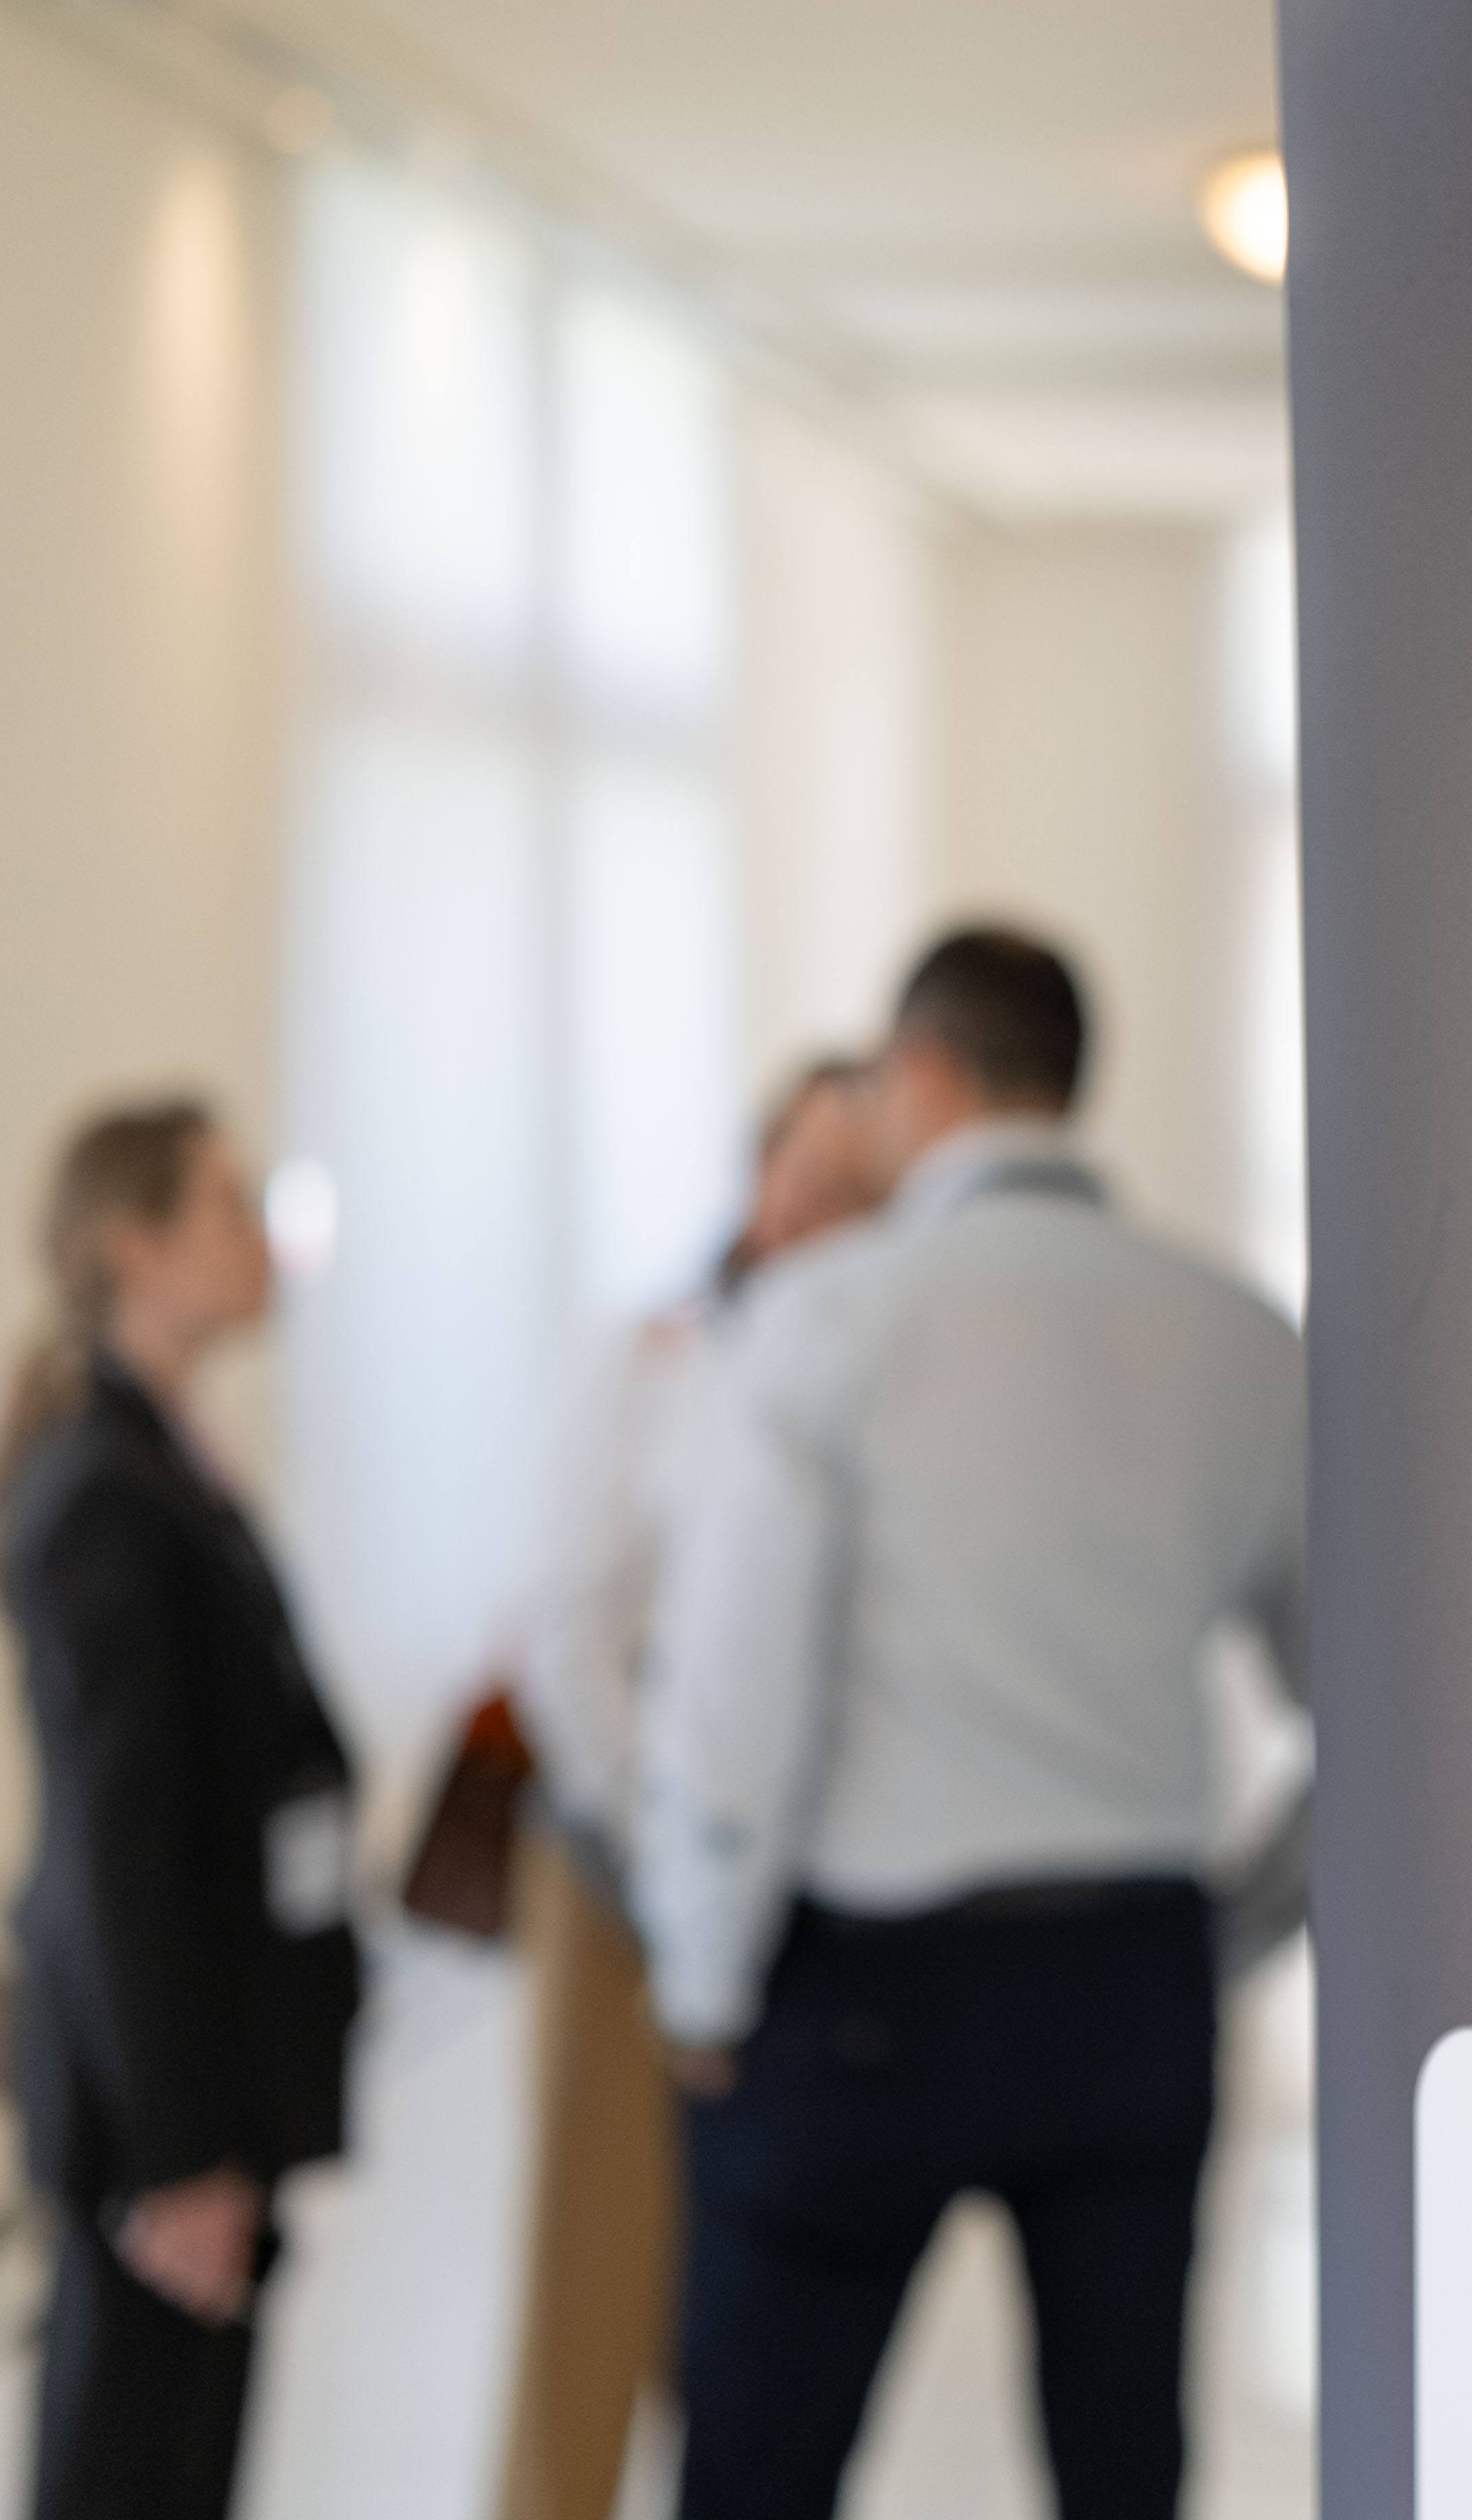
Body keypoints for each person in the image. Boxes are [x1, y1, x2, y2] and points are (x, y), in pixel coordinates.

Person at [640, 928, 1308, 2520]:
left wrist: (702, 1973)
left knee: (757, 2473)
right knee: (1124, 2476)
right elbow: (1367, 1716)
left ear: (925, 1072)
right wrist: (1227, 1926)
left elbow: (734, 1695)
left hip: (868, 1989)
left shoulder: (824, 1317)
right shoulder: (1242, 1335)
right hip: (1134, 1969)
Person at [490, 1059, 883, 2520]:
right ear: (759, 1171)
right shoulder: (650, 1357)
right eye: (812, 1177)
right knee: (591, 2284)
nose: (829, 1216)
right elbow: (568, 1635)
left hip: (795, 1897)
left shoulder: (875, 1371)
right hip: (620, 1868)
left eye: (866, 1195)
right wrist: (671, 1843)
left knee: (752, 2309)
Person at [0, 1098, 359, 2520]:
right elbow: (118, 1860)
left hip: (215, 2065)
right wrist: (183, 2152)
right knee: (129, 2469)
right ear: (132, 1244)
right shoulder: (101, 1492)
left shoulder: (163, 1458)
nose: (261, 1237)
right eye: (229, 1206)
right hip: (160, 2110)